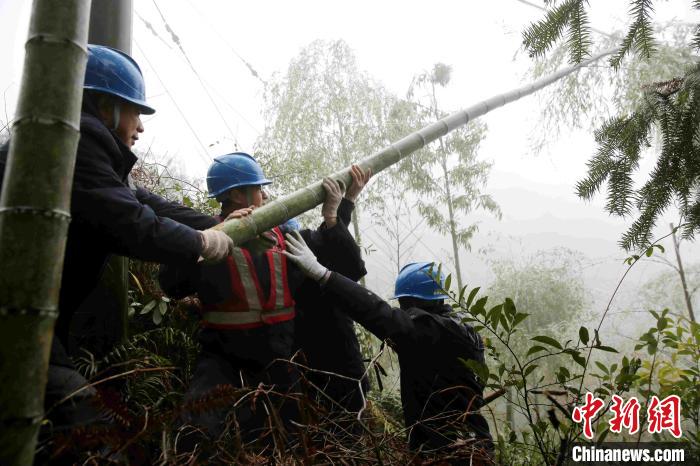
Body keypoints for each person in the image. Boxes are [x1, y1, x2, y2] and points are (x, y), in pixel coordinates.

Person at [0, 44, 233, 449]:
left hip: (22, 314)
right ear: (105, 105)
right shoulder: (76, 145)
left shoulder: (80, 148)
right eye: (135, 112)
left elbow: (146, 201)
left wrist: (216, 224)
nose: (140, 127)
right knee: (83, 425)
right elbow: (131, 223)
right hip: (12, 318)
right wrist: (201, 243)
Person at [158, 152, 367, 449]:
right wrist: (212, 238)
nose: (265, 195)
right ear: (235, 194)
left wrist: (335, 215)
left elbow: (346, 267)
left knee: (289, 437)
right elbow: (170, 284)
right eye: (258, 189)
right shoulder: (207, 237)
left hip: (281, 357)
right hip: (223, 358)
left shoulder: (285, 235)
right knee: (194, 430)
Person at [282, 237, 494, 461]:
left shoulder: (432, 331)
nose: (401, 308)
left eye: (403, 302)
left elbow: (377, 313)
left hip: (454, 451)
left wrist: (323, 274)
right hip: (461, 444)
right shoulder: (456, 327)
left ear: (414, 301)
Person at [292, 164, 372, 415]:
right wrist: (333, 214)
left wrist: (343, 205)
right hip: (319, 367)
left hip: (336, 367)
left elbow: (329, 243)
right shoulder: (290, 248)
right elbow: (348, 262)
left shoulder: (300, 245)